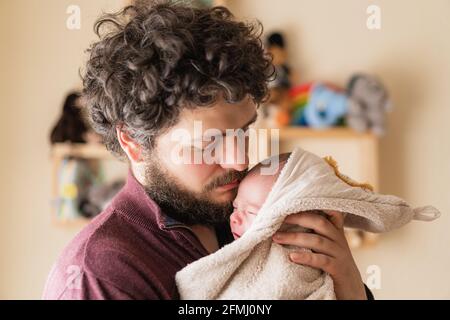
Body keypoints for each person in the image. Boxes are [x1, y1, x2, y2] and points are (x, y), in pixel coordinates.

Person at [43, 0, 370, 300]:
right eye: (208, 143)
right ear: (133, 142)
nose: (239, 159)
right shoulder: (101, 276)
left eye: (243, 131)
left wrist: (349, 285)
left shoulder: (254, 211)